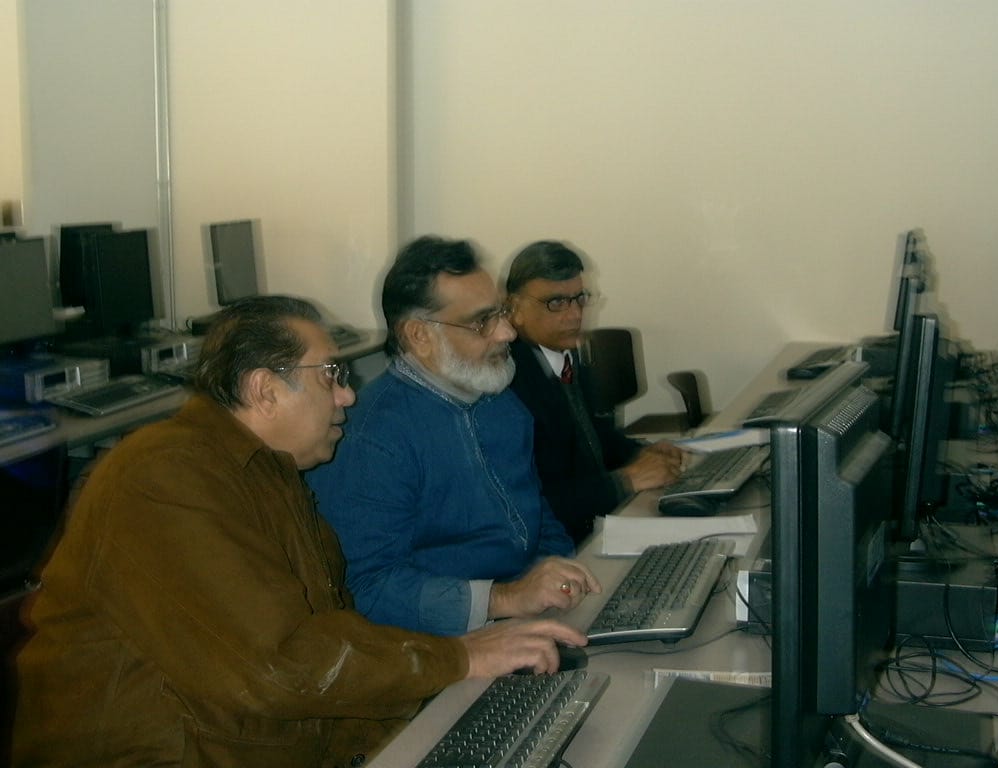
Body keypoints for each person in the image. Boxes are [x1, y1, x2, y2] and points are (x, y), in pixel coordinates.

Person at [11, 295, 587, 768]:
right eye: (332, 375)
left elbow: (327, 642)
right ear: (265, 390)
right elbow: (283, 666)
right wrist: (457, 659)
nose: (348, 395)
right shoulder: (164, 477)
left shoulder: (270, 474)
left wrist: (435, 711)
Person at [306, 237, 600, 637]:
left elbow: (538, 517)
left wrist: (558, 575)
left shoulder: (500, 402)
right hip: (442, 646)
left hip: (525, 619)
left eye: (501, 313)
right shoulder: (369, 440)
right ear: (419, 335)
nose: (507, 333)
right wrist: (504, 599)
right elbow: (364, 587)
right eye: (482, 321)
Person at [505, 240, 687, 544]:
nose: (575, 314)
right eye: (556, 303)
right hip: (560, 545)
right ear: (515, 309)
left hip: (600, 522)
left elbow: (595, 438)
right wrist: (625, 481)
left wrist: (643, 452)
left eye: (580, 298)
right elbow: (531, 502)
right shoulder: (507, 382)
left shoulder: (566, 353)